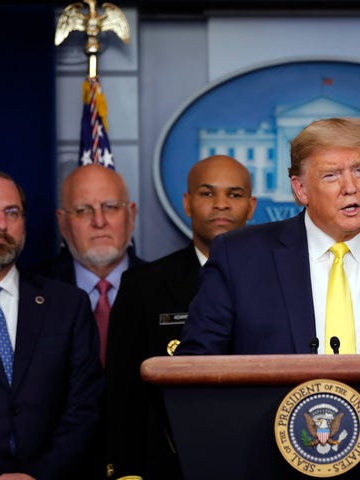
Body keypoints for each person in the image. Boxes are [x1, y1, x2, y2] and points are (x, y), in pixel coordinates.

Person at [176, 117, 360, 356]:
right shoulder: (239, 258)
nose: (350, 187)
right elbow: (196, 367)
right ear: (301, 190)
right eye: (332, 176)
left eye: (359, 170)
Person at [103, 155, 256, 479]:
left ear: (251, 206)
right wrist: (126, 472)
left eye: (234, 194)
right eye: (207, 193)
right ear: (187, 203)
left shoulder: (280, 282)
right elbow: (122, 396)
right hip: (171, 466)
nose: (221, 204)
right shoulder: (142, 286)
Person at [0, 168, 104, 479]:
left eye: (12, 212)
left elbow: (85, 405)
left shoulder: (68, 305)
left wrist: (38, 476)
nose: (1, 225)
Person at [32, 163, 145, 366]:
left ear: (131, 215)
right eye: (83, 210)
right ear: (63, 222)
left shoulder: (162, 286)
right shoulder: (32, 293)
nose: (99, 222)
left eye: (110, 207)